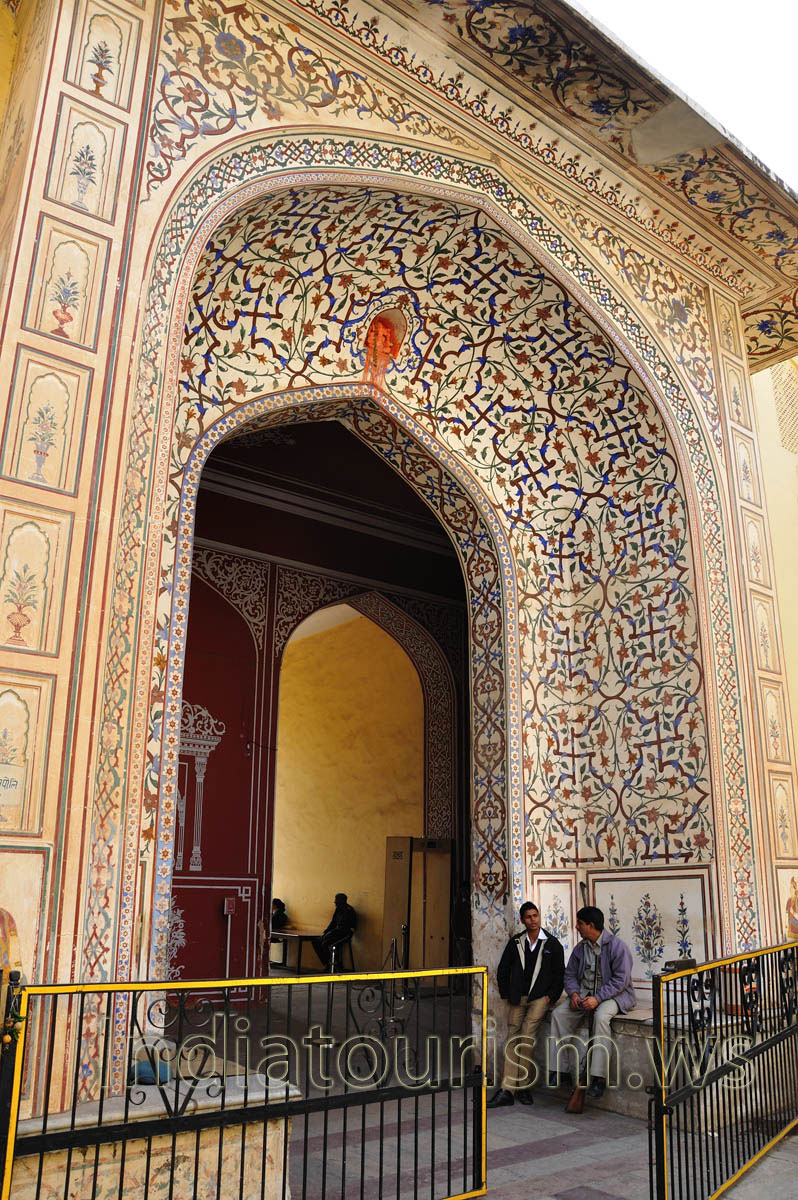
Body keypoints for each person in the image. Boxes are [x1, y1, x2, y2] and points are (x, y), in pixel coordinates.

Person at [548, 905, 636, 1100]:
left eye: (580, 923)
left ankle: (597, 1077)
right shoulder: (580, 948)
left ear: (591, 925)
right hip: (584, 996)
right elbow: (569, 974)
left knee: (601, 1016)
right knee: (558, 1015)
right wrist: (573, 994)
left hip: (613, 996)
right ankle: (559, 1071)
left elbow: (620, 981)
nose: (577, 927)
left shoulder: (617, 946)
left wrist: (598, 998)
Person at [487, 901, 565, 1108]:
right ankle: (507, 1091)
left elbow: (559, 975)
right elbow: (503, 969)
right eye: (528, 917)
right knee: (512, 1039)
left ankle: (523, 1087)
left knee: (527, 1039)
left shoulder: (552, 944)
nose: (533, 920)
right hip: (517, 999)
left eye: (535, 916)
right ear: (522, 920)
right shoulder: (516, 943)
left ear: (539, 917)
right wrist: (506, 992)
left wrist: (550, 997)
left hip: (540, 999)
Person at [312, 893, 357, 968]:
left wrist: (328, 934)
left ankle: (335, 965)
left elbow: (342, 928)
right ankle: (327, 963)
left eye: (336, 900)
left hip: (345, 934)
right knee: (316, 941)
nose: (334, 902)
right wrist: (325, 932)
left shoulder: (348, 911)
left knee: (326, 943)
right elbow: (333, 922)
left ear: (342, 900)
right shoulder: (338, 909)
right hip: (336, 933)